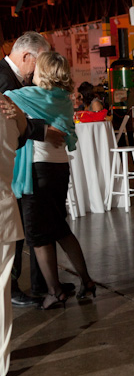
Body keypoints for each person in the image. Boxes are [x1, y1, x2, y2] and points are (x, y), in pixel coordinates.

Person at [5, 51, 98, 309]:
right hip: (60, 168)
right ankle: (87, 281)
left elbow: (6, 97)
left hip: (38, 171)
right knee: (59, 228)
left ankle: (55, 291)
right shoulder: (63, 98)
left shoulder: (29, 96)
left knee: (36, 234)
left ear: (43, 72)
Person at [0, 31, 66, 306]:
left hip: (22, 163)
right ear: (27, 56)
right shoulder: (4, 79)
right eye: (40, 62)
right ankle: (12, 286)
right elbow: (13, 122)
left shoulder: (17, 80)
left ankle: (43, 283)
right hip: (12, 166)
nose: (40, 70)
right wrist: (45, 132)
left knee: (30, 225)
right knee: (16, 228)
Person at [0, 93, 27, 376]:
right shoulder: (9, 113)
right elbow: (23, 132)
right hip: (4, 211)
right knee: (1, 291)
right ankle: (0, 366)